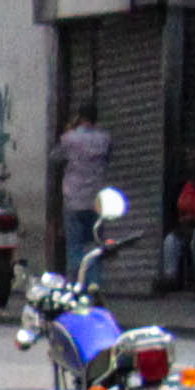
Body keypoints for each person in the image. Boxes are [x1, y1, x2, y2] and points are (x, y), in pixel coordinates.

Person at [54, 106, 114, 272]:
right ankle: (94, 284)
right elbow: (107, 158)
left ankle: (79, 285)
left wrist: (69, 131)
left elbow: (55, 159)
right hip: (97, 202)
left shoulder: (68, 139)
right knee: (95, 247)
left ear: (79, 116)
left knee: (75, 247)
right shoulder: (105, 139)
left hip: (74, 202)